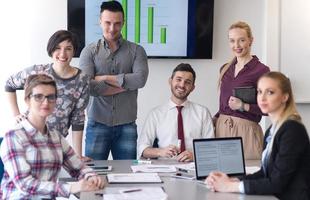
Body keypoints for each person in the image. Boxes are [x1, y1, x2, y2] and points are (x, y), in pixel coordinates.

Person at [206, 71, 310, 200]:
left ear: (285, 97)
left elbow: (277, 183)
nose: (262, 98)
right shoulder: (272, 130)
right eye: (260, 92)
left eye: (270, 92)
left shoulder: (293, 130)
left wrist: (229, 187)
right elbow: (265, 173)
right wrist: (232, 180)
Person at [0, 74, 105, 199]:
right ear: (27, 100)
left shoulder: (55, 137)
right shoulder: (13, 137)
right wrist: (71, 187)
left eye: (51, 97)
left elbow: (78, 167)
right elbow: (25, 184)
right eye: (38, 97)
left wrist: (91, 176)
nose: (46, 102)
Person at [5, 30, 91, 161]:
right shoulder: (38, 72)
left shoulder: (82, 79)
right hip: (29, 139)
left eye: (68, 49)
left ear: (74, 51)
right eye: (58, 48)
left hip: (55, 143)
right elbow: (9, 84)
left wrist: (77, 155)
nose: (63, 54)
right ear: (51, 50)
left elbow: (78, 119)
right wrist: (16, 115)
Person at [79, 1, 148, 160]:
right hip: (97, 124)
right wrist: (125, 84)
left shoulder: (137, 50)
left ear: (123, 22)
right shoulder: (89, 51)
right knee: (94, 175)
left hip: (127, 125)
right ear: (100, 21)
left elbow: (140, 80)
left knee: (127, 176)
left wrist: (103, 78)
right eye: (107, 23)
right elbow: (88, 86)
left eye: (117, 24)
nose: (112, 28)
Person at [213, 21, 270, 159]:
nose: (236, 46)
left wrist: (243, 106)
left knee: (247, 177)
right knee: (221, 177)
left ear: (251, 40)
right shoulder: (225, 69)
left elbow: (270, 108)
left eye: (241, 40)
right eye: (232, 41)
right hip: (222, 130)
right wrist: (214, 118)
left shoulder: (262, 71)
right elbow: (224, 104)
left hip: (247, 133)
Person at [137, 63, 214, 162]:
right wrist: (160, 151)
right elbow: (142, 149)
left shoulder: (203, 112)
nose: (182, 85)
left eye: (187, 82)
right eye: (178, 79)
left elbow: (210, 147)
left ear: (192, 87)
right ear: (170, 81)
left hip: (194, 167)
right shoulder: (156, 114)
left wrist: (195, 155)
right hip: (164, 168)